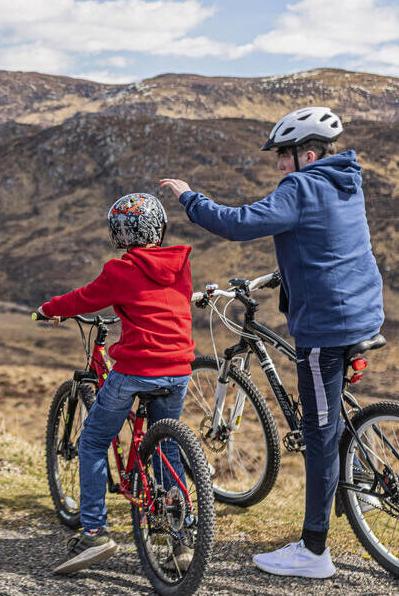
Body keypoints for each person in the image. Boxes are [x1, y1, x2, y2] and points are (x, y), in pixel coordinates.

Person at [159, 106, 383, 580]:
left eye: (283, 155)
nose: (279, 165)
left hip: (326, 325)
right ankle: (355, 483)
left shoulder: (299, 187)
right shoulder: (347, 182)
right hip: (361, 309)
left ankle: (313, 550)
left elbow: (239, 223)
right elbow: (329, 242)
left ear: (307, 153)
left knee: (319, 432)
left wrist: (190, 199)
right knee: (330, 412)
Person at [34, 193, 195, 576]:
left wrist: (49, 309)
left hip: (138, 368)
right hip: (180, 370)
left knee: (91, 441)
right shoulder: (181, 265)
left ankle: (93, 533)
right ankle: (181, 540)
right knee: (167, 449)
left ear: (120, 233)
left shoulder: (120, 270)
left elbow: (85, 298)